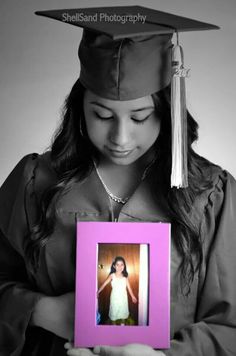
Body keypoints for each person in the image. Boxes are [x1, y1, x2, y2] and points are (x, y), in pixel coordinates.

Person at [0, 5, 236, 356]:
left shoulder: (208, 194)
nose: (120, 138)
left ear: (169, 109)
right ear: (80, 105)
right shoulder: (35, 182)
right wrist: (44, 311)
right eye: (102, 114)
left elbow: (229, 325)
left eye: (140, 117)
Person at [97, 256, 138, 325]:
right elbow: (104, 284)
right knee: (114, 314)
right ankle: (114, 327)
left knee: (123, 314)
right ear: (114, 266)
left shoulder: (125, 277)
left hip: (123, 299)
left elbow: (129, 288)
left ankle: (122, 326)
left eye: (122, 264)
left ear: (124, 266)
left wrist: (133, 296)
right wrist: (98, 291)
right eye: (117, 265)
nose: (120, 267)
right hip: (114, 299)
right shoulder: (112, 275)